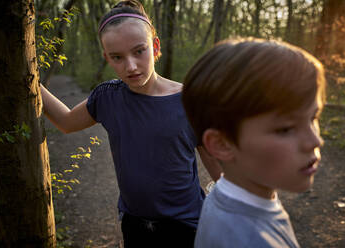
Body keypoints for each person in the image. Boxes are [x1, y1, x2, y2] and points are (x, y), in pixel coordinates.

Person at [40, 1, 221, 247]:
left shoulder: (190, 101)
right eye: (117, 57)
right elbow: (66, 122)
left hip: (187, 226)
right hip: (134, 225)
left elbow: (218, 169)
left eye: (139, 51)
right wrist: (30, 80)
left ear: (155, 47)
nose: (131, 66)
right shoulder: (107, 98)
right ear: (106, 58)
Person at [182, 38, 326, 248]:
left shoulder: (222, 193)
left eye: (313, 118)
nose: (315, 140)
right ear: (222, 144)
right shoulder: (252, 241)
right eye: (285, 129)